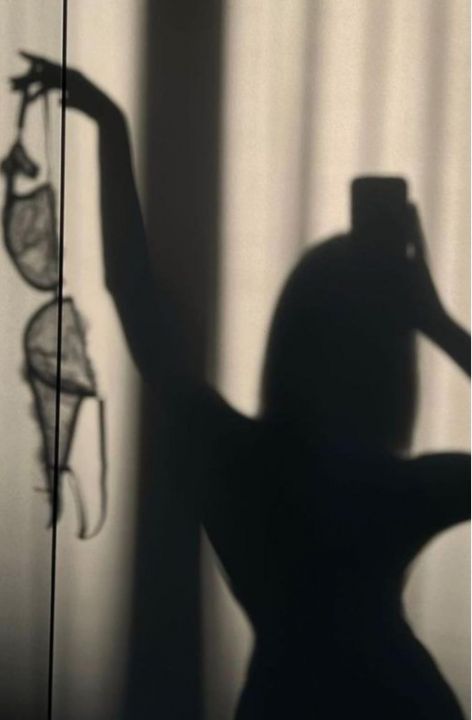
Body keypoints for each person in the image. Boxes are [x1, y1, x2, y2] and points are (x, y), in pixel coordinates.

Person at [12, 54, 470, 719]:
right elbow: (134, 299)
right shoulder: (399, 493)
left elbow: (134, 297)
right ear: (394, 370)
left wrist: (110, 123)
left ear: (292, 338)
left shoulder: (239, 461)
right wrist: (435, 320)